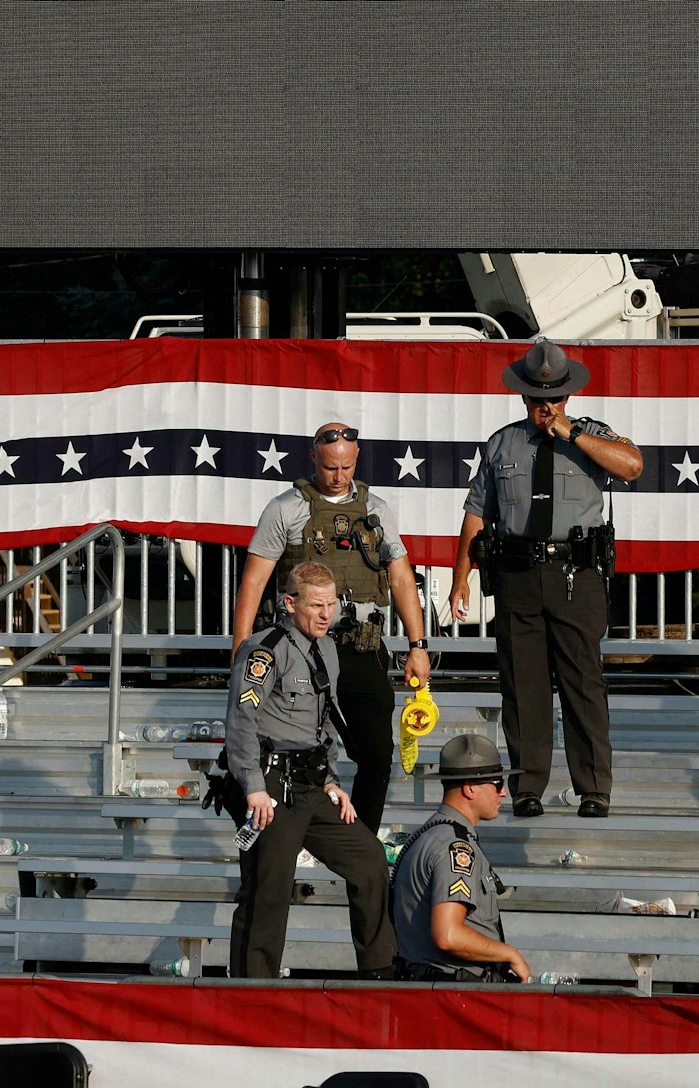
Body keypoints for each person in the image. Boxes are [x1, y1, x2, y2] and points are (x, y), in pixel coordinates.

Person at [449, 340, 644, 819]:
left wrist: (572, 433)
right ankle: (526, 786)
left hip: (576, 576)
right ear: (523, 399)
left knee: (583, 683)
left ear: (567, 398)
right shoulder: (502, 443)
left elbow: (633, 466)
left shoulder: (592, 435)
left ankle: (593, 787)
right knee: (522, 686)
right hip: (517, 573)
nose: (546, 407)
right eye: (538, 400)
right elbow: (477, 514)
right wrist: (461, 579)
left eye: (554, 399)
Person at [232, 421, 431, 834]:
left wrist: (418, 644)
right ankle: (301, 834)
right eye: (329, 469)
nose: (338, 477)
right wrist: (241, 646)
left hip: (361, 648)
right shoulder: (286, 508)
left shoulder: (376, 510)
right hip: (300, 652)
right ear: (313, 459)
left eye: (346, 468)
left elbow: (400, 577)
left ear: (355, 460)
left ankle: (362, 841)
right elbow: (254, 580)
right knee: (300, 750)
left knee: (376, 754)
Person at [225, 561, 399, 980]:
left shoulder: (327, 649)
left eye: (332, 604)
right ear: (289, 603)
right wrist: (252, 787)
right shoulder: (264, 651)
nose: (327, 614)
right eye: (316, 605)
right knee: (268, 888)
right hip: (270, 782)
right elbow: (241, 722)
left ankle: (380, 971)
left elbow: (325, 723)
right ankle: (253, 987)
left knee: (369, 859)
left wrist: (333, 781)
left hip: (311, 782)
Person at [391, 734, 532, 983]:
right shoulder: (455, 847)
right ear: (469, 788)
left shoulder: (431, 834)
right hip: (453, 990)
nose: (504, 794)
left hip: (432, 985)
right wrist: (510, 954)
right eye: (498, 784)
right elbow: (448, 934)